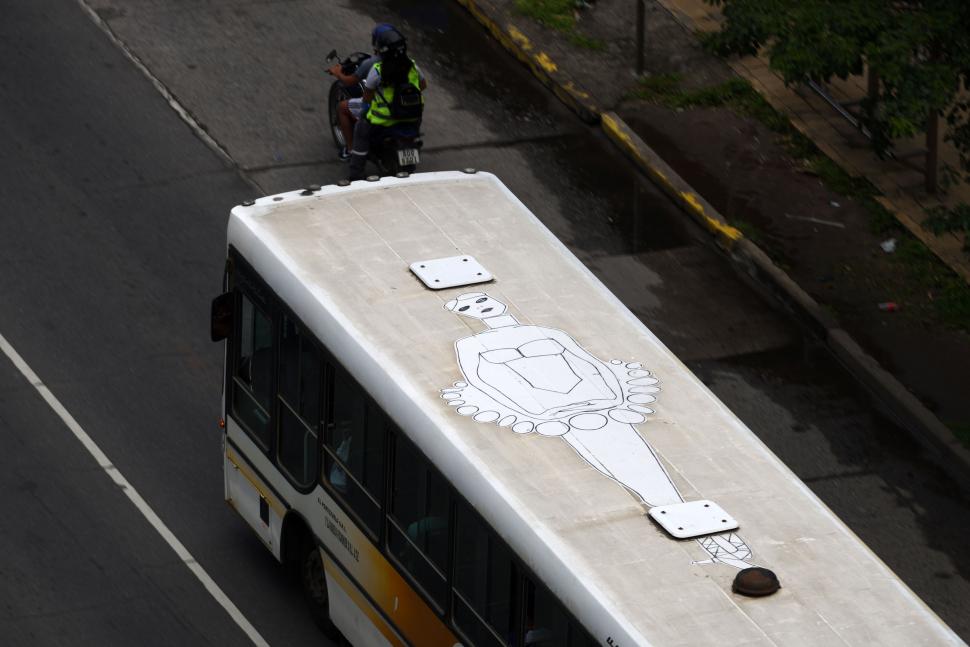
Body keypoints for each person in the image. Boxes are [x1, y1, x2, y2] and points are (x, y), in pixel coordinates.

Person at [348, 27, 428, 181]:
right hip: (412, 118)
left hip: (383, 121)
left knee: (361, 128)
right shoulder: (412, 66)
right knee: (415, 128)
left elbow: (367, 96)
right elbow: (423, 85)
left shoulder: (377, 70)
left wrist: (364, 111)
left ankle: (356, 173)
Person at [327, 24, 397, 160]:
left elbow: (349, 82)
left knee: (342, 108)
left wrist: (338, 73)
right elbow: (422, 85)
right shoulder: (409, 63)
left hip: (382, 111)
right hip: (403, 108)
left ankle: (350, 150)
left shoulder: (373, 64)